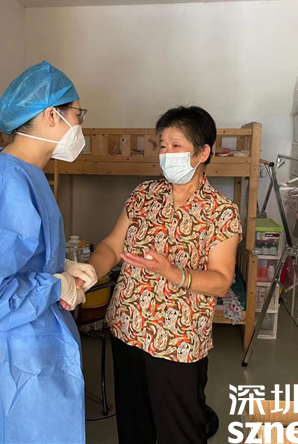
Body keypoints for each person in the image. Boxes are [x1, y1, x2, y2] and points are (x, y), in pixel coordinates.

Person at [0, 61, 97, 444]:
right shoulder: (1, 184)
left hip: (33, 346)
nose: (80, 125)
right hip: (11, 362)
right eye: (77, 114)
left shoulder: (27, 175)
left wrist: (61, 267)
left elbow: (19, 256)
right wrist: (54, 285)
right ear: (51, 115)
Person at [87, 106, 242, 444]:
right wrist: (87, 272)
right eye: (162, 145)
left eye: (176, 145)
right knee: (134, 427)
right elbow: (112, 245)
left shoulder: (221, 212)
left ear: (202, 153)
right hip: (127, 327)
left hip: (178, 341)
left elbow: (220, 280)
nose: (166, 153)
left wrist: (172, 272)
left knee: (180, 432)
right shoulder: (144, 194)